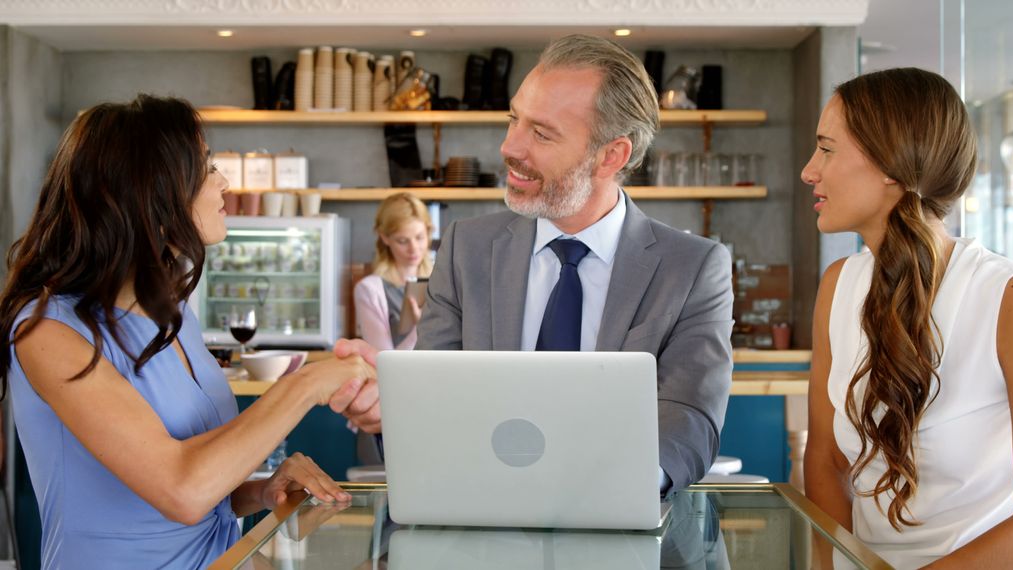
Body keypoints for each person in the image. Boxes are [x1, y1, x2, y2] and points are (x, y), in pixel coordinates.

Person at [337, 34, 734, 493]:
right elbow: (435, 400)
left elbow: (690, 417)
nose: (510, 147)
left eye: (541, 133)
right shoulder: (467, 248)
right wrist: (391, 410)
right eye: (514, 120)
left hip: (620, 531)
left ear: (612, 155)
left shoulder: (693, 267)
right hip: (483, 527)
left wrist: (620, 492)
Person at [0, 95, 374, 568]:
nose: (224, 182)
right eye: (208, 166)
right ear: (149, 190)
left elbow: (197, 489)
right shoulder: (46, 332)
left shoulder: (172, 315)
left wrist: (260, 490)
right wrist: (304, 385)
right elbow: (181, 490)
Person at [801, 67, 1013, 569]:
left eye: (827, 149)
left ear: (889, 164)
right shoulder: (837, 285)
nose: (809, 170)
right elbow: (826, 461)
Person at [353, 192, 434, 351]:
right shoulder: (370, 290)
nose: (414, 249)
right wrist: (421, 328)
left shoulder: (444, 282)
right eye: (403, 241)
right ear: (384, 238)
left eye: (419, 237)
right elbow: (383, 362)